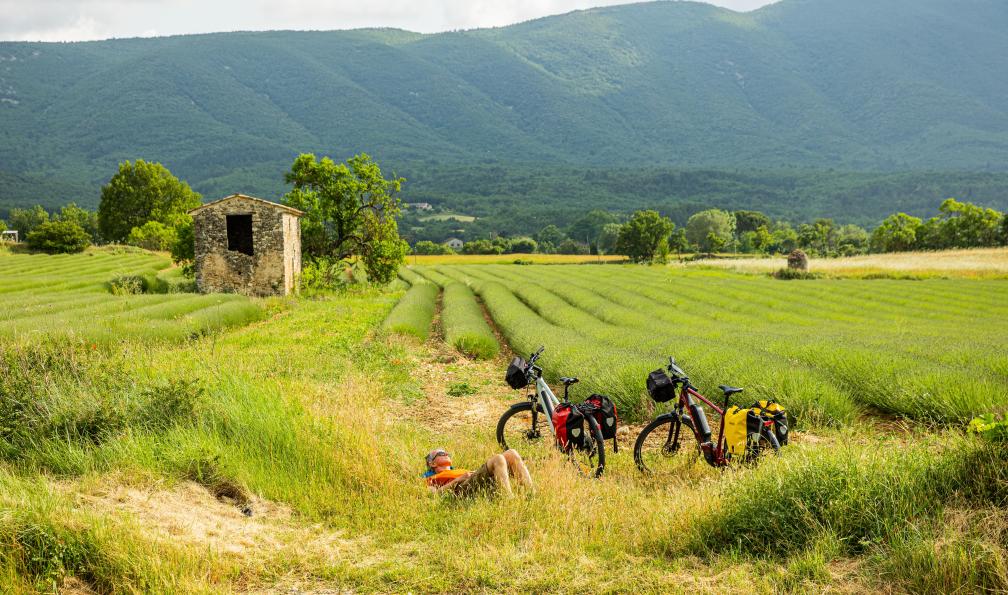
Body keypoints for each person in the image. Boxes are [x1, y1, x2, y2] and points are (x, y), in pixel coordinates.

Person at [423, 448, 533, 497]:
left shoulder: (455, 470)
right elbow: (433, 494)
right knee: (498, 458)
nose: (446, 454)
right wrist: (457, 480)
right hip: (461, 488)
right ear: (432, 463)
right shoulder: (431, 477)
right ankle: (508, 498)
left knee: (512, 453)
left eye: (447, 453)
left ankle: (531, 493)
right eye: (441, 454)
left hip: (474, 481)